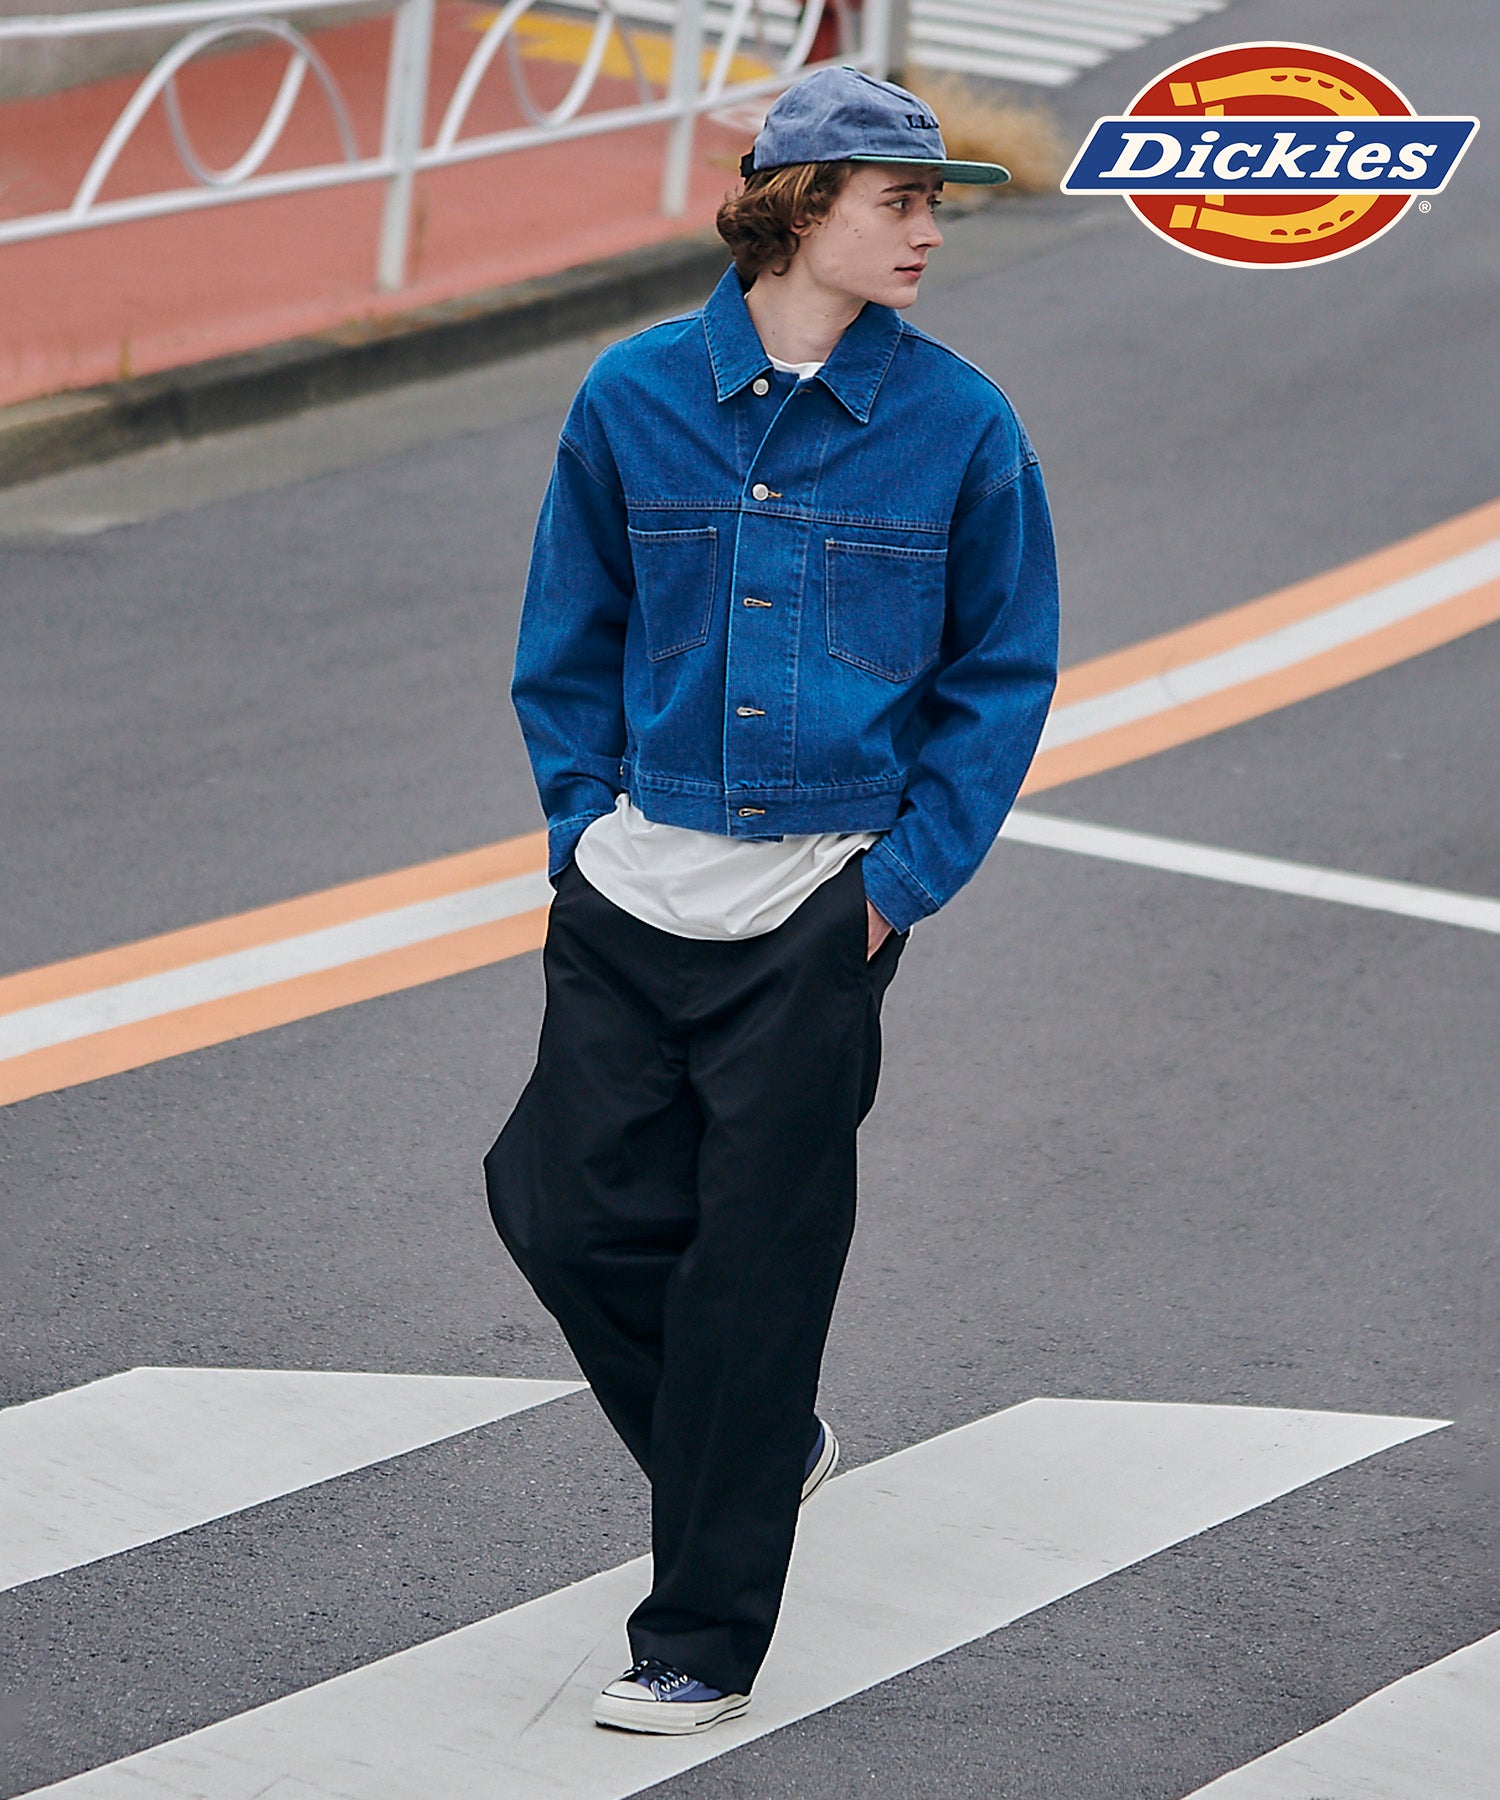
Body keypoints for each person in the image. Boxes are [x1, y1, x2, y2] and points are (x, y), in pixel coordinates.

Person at [485, 65, 1059, 1736]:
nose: (930, 230)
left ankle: (700, 1640)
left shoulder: (959, 424)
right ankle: (759, 1447)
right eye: (902, 201)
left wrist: (898, 887)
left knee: (754, 1268)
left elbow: (1001, 672)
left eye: (936, 204)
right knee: (557, 1209)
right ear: (802, 207)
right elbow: (569, 634)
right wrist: (579, 833)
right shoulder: (633, 395)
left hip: (819, 905)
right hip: (633, 883)